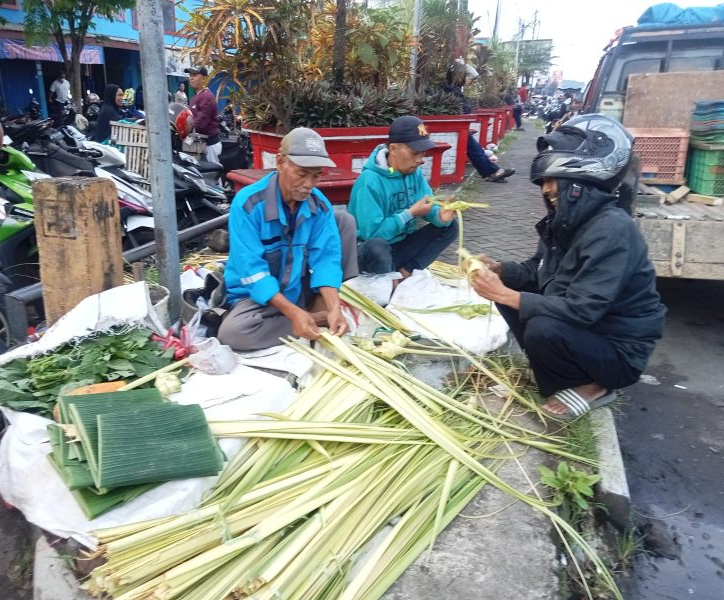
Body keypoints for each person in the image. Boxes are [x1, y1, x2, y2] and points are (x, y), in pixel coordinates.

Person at [468, 114, 666, 421]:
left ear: (579, 184)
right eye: (544, 182)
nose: (546, 190)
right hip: (590, 333)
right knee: (512, 294)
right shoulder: (566, 223)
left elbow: (585, 309)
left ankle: (595, 385)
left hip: (618, 349)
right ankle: (556, 366)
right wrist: (500, 270)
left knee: (541, 325)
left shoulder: (612, 230)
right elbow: (538, 270)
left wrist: (508, 296)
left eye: (552, 181)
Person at [217, 127, 359, 351]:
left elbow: (326, 259)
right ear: (281, 162)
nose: (309, 184)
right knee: (233, 333)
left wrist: (334, 307)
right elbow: (253, 272)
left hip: (297, 287)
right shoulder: (248, 204)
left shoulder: (318, 204)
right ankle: (307, 320)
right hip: (257, 297)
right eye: (302, 174)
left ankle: (314, 315)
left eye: (317, 175)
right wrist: (294, 315)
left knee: (344, 221)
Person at [348, 115, 458, 278]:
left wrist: (440, 215)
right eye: (414, 153)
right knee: (377, 247)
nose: (420, 160)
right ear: (393, 149)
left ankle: (405, 272)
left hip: (400, 248)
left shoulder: (414, 173)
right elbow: (372, 235)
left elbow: (428, 205)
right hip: (369, 255)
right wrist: (409, 214)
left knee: (451, 226)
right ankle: (386, 281)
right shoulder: (369, 181)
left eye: (423, 153)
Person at [185, 66, 221, 164]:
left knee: (213, 174)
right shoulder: (196, 96)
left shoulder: (206, 97)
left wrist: (184, 129)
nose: (191, 78)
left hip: (210, 144)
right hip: (201, 143)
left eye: (195, 75)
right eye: (190, 75)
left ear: (204, 79)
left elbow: (201, 122)